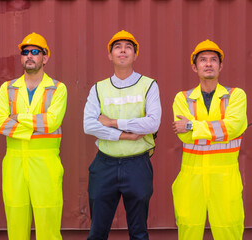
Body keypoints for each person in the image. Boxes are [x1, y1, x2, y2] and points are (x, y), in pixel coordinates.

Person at [83, 30, 161, 240]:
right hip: (104, 165)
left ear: (135, 55)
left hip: (137, 165)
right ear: (110, 55)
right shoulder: (99, 88)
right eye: (118, 47)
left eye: (128, 47)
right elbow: (89, 126)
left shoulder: (149, 85)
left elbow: (152, 123)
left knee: (138, 232)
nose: (123, 51)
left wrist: (112, 122)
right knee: (97, 232)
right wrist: (125, 135)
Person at [0, 32, 67, 240]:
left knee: (48, 224)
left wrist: (16, 117)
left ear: (45, 57)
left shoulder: (57, 88)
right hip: (14, 162)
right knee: (16, 224)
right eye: (25, 52)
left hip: (46, 163)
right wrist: (34, 125)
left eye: (36, 52)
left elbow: (52, 122)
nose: (29, 56)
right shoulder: (7, 88)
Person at [172, 40, 247, 240]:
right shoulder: (183, 98)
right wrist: (215, 130)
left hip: (225, 177)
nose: (208, 64)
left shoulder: (236, 96)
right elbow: (184, 134)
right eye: (203, 60)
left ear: (220, 66)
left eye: (213, 60)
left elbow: (233, 127)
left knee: (229, 230)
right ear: (194, 67)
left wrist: (192, 125)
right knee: (188, 230)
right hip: (191, 177)